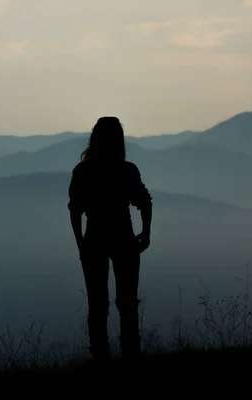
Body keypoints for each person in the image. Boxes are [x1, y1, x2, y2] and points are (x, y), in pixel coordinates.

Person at [67, 116, 153, 362]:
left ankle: (100, 359)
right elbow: (145, 202)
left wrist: (80, 243)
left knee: (97, 304)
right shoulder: (126, 170)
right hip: (124, 237)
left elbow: (75, 210)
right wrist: (145, 233)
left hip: (94, 238)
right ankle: (131, 355)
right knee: (127, 303)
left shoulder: (83, 171)